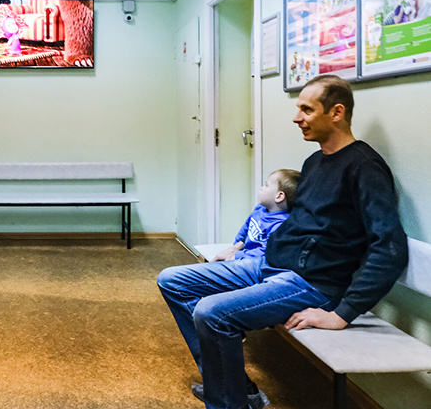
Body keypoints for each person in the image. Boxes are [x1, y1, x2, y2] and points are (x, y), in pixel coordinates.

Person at [157, 74, 408, 409]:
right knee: (172, 280)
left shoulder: (365, 168)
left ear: (336, 112)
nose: (296, 117)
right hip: (269, 265)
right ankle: (233, 388)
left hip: (313, 284)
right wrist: (242, 247)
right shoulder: (315, 162)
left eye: (306, 109)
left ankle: (228, 401)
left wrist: (342, 314)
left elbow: (390, 248)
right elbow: (294, 223)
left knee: (211, 312)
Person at [211, 169, 300, 262]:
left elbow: (265, 251)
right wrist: (234, 248)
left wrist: (237, 256)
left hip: (254, 261)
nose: (261, 188)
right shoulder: (260, 209)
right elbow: (245, 229)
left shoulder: (281, 225)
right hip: (242, 254)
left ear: (279, 196)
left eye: (266, 185)